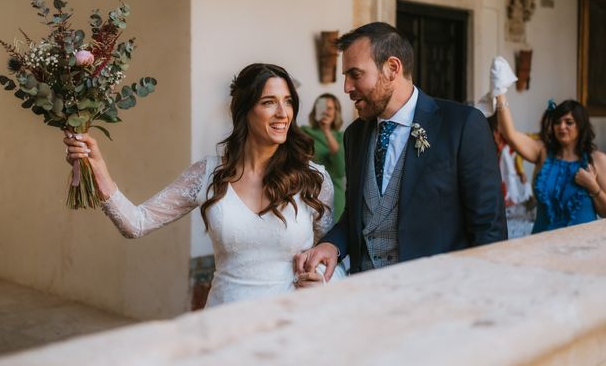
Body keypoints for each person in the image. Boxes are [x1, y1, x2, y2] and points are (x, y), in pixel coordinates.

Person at [64, 63, 337, 307]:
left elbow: (325, 252)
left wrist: (321, 283)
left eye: (288, 102)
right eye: (269, 102)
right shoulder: (207, 174)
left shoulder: (313, 180)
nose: (283, 113)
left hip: (290, 323)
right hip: (223, 323)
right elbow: (136, 223)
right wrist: (97, 167)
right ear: (244, 110)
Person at [295, 22, 507, 280]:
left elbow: (489, 228)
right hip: (366, 294)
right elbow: (358, 214)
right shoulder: (355, 135)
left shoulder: (462, 125)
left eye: (355, 74)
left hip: (439, 294)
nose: (347, 87)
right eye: (345, 77)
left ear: (392, 68)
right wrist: (333, 245)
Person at [495, 93, 606, 233]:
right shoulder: (542, 152)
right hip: (541, 244)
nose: (561, 127)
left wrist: (593, 187)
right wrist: (500, 92)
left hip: (582, 247)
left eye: (569, 122)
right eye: (557, 122)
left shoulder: (597, 160)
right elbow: (509, 135)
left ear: (581, 125)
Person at [301, 94, 346, 222]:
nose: (326, 111)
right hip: (308, 195)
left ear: (336, 112)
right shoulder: (304, 133)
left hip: (334, 198)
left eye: (330, 108)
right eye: (322, 107)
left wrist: (326, 131)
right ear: (315, 110)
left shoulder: (342, 136)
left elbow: (340, 170)